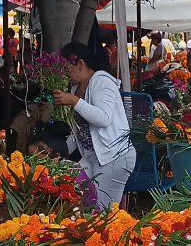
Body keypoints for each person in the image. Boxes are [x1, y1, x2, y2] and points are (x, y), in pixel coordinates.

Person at [54, 42, 135, 208]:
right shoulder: (77, 86)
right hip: (92, 156)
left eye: (67, 68)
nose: (65, 73)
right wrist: (59, 151)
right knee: (77, 196)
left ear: (81, 64)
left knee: (103, 213)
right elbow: (81, 129)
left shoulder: (102, 82)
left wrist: (74, 101)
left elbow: (103, 118)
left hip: (113, 157)